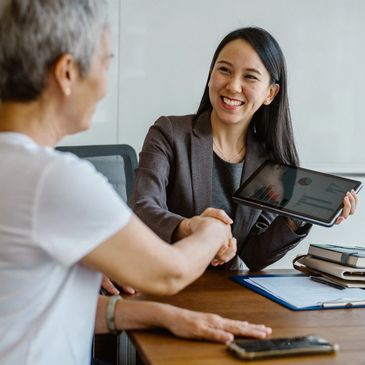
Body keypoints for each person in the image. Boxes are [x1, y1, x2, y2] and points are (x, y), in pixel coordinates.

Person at [0, 2, 271, 365]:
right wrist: (211, 230)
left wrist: (162, 315)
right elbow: (170, 272)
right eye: (105, 62)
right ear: (67, 72)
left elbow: (34, 300)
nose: (105, 84)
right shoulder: (54, 180)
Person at [132, 27, 358, 271]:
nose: (233, 86)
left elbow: (252, 257)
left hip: (228, 293)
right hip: (163, 279)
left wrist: (295, 219)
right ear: (211, 75)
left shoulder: (271, 162)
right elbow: (143, 208)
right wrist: (191, 227)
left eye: (250, 77)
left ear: (270, 93)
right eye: (224, 70)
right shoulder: (169, 133)